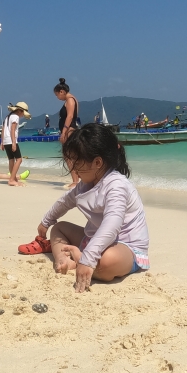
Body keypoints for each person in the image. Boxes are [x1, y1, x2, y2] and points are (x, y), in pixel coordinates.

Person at [32, 124, 149, 293]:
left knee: (107, 263)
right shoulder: (85, 185)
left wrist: (88, 258)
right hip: (94, 240)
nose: (73, 168)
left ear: (97, 162)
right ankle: (62, 259)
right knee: (59, 228)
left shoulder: (116, 185)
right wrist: (46, 221)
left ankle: (80, 258)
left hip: (126, 247)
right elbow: (64, 202)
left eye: (77, 162)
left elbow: (112, 224)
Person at [54, 78, 80, 188]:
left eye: (57, 95)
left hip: (69, 130)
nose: (57, 98)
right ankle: (77, 179)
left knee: (69, 156)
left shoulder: (70, 100)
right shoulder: (71, 99)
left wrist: (64, 132)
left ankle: (75, 181)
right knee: (70, 155)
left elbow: (70, 116)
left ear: (61, 91)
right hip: (69, 130)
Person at [1, 102, 32, 186]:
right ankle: (11, 180)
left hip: (6, 141)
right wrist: (14, 142)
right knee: (19, 159)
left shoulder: (8, 117)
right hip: (11, 140)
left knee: (11, 159)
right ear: (19, 111)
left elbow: (3, 129)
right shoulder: (15, 117)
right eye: (23, 113)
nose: (22, 115)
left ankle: (13, 178)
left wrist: (2, 142)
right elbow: (12, 129)